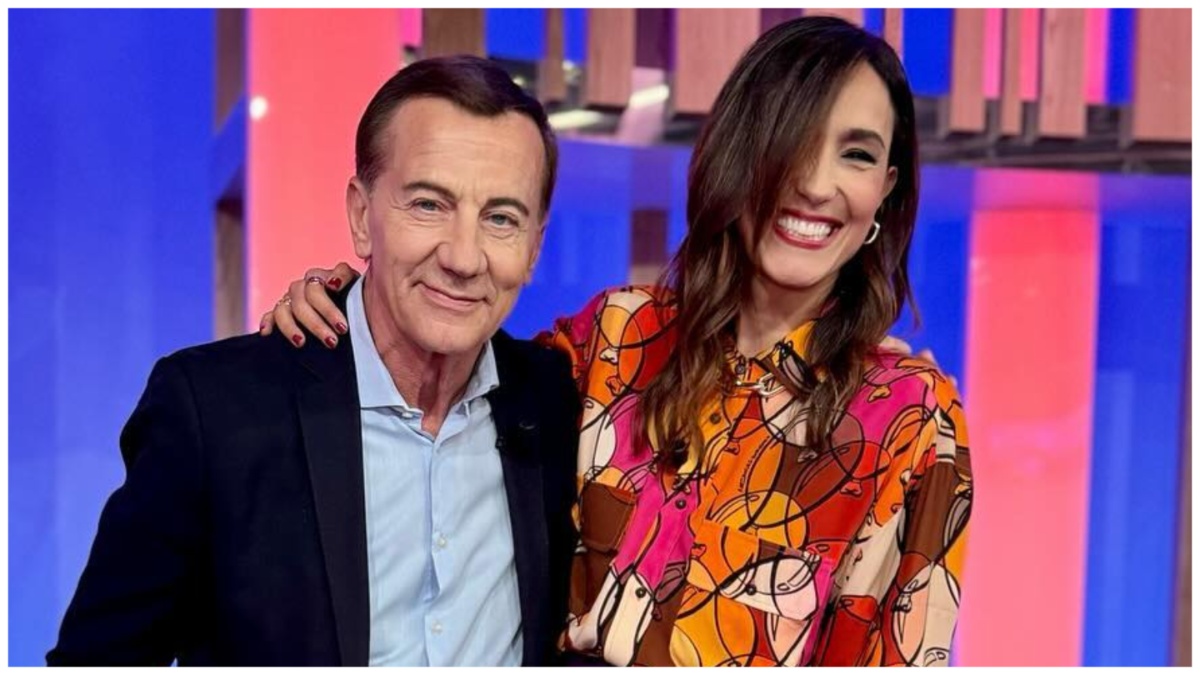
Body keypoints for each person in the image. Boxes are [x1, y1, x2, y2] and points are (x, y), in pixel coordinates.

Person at [268, 16, 973, 667]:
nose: (817, 184)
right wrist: (357, 299)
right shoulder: (618, 335)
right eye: (794, 139)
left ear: (886, 189)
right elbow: (456, 366)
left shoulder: (909, 418)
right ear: (741, 149)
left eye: (856, 155)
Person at [48, 56, 580, 667]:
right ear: (361, 217)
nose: (464, 257)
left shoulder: (561, 403)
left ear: (534, 248)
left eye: (501, 218)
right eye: (428, 205)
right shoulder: (214, 410)